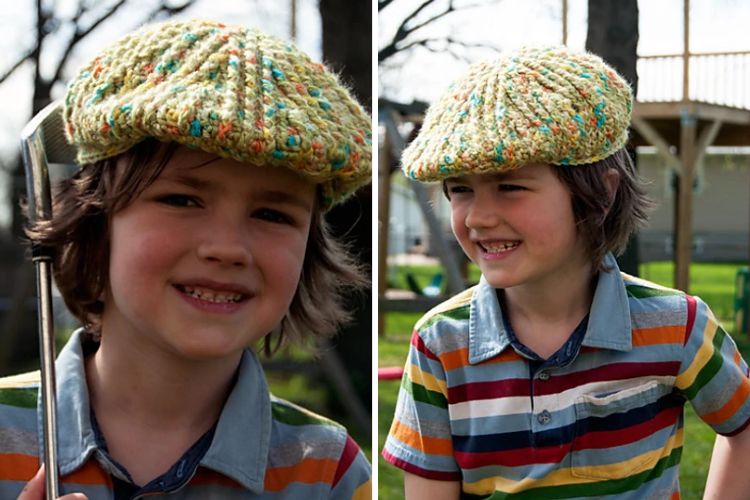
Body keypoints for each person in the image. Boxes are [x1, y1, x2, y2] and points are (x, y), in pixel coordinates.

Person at [0, 18, 372, 499]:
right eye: (181, 200)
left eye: (271, 214)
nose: (227, 247)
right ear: (95, 223)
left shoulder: (327, 471)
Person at [382, 46, 750, 499]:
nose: (477, 216)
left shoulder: (676, 325)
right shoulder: (440, 345)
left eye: (510, 186)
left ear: (600, 195)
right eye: (460, 190)